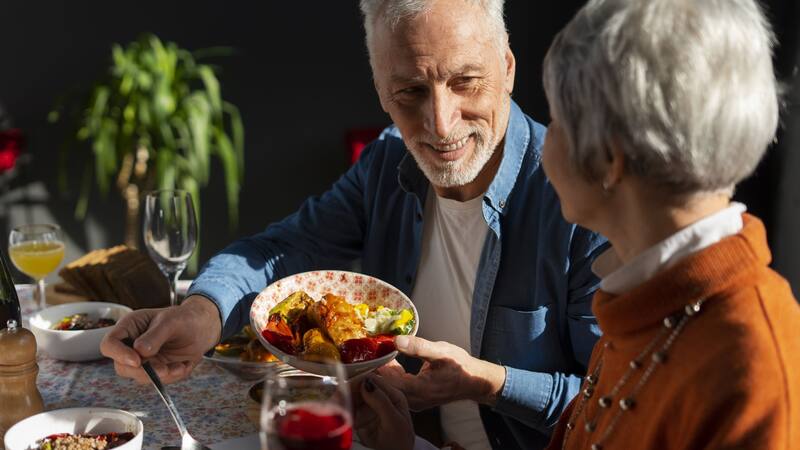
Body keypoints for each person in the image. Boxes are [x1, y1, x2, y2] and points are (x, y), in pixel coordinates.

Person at [101, 0, 607, 449]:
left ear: (508, 68)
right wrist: (200, 315)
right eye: (410, 90)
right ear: (382, 92)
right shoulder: (387, 162)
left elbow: (614, 403)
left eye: (465, 82)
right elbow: (284, 247)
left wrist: (488, 382)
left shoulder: (583, 200)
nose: (440, 122)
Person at [355, 0, 800, 449]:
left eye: (561, 122)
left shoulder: (756, 365)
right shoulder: (643, 298)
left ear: (610, 157)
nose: (541, 140)